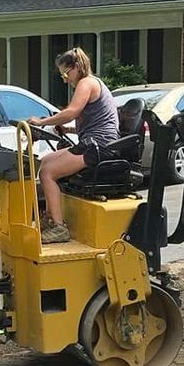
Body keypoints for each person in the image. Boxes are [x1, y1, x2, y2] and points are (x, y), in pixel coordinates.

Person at [27, 46, 117, 243]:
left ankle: (59, 228)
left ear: (77, 66)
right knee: (45, 162)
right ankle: (51, 220)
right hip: (95, 142)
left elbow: (72, 112)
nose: (65, 79)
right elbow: (94, 122)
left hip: (99, 146)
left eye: (66, 74)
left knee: (47, 173)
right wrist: (67, 130)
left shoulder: (87, 83)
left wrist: (42, 122)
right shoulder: (92, 84)